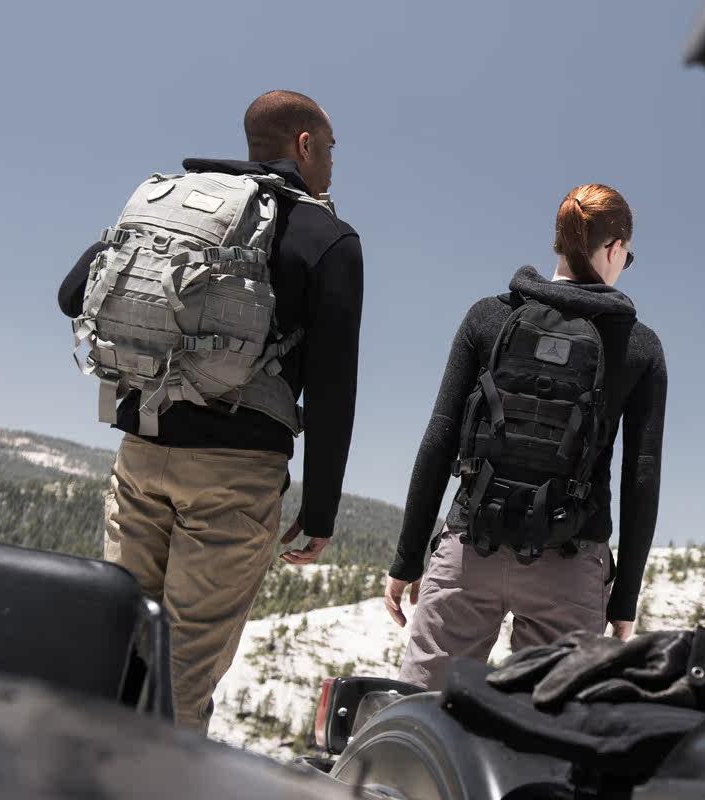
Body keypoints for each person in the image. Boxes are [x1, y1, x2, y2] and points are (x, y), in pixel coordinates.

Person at [58, 90, 364, 733]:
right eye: (332, 148)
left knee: (118, 651)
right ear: (305, 144)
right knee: (181, 678)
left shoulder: (166, 204)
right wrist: (320, 511)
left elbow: (71, 295)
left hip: (142, 450)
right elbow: (332, 386)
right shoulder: (327, 236)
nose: (334, 163)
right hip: (235, 474)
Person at [384, 183, 667, 690]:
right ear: (614, 248)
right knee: (549, 726)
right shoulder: (639, 345)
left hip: (471, 549)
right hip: (570, 564)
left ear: (560, 241)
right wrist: (625, 598)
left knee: (418, 709)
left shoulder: (487, 317)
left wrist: (407, 559)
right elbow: (641, 479)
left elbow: (439, 439)